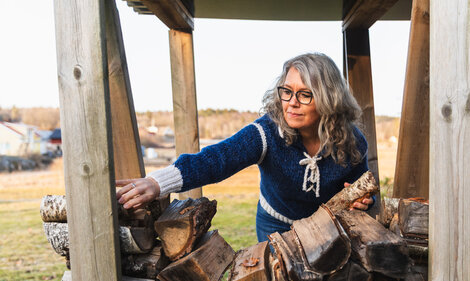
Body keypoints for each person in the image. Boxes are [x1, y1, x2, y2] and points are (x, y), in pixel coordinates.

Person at [117, 53, 373, 243]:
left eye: (305, 94)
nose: (292, 103)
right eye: (287, 91)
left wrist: (361, 201)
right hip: (276, 225)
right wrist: (159, 182)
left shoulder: (352, 142)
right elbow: (217, 159)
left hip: (325, 226)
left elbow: (362, 192)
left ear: (329, 98)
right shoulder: (267, 133)